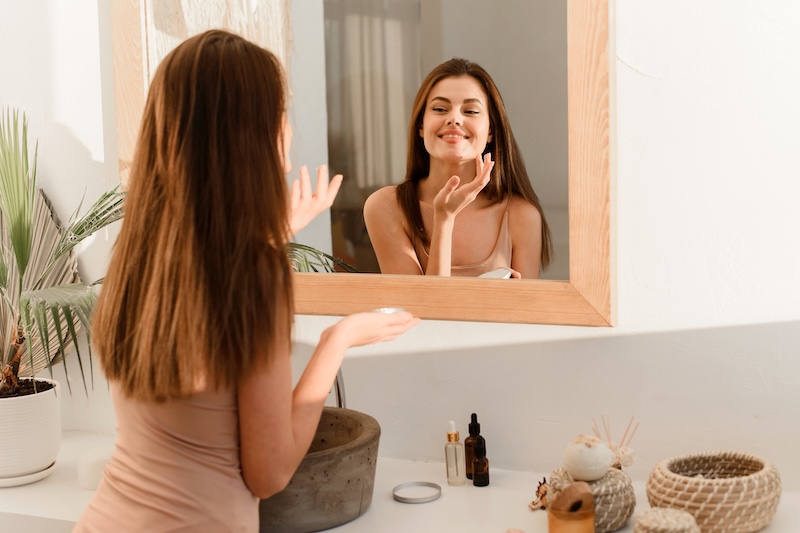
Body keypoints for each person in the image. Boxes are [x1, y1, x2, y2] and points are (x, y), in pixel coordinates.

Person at [73, 30, 418, 532]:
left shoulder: (136, 255)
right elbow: (270, 473)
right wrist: (336, 340)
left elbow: (206, 291)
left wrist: (272, 236)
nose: (287, 130)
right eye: (280, 113)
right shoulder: (257, 277)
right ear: (256, 134)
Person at [364, 58, 552, 279]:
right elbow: (420, 307)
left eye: (471, 111)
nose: (454, 119)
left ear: (491, 130)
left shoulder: (521, 216)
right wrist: (444, 219)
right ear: (421, 126)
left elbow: (526, 312)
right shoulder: (387, 207)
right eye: (440, 109)